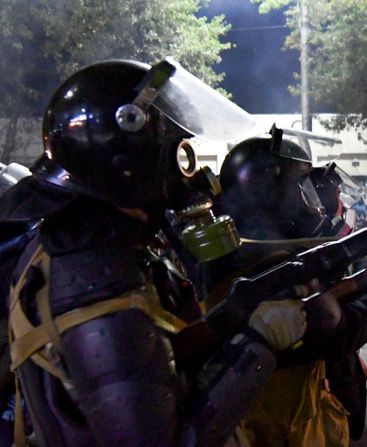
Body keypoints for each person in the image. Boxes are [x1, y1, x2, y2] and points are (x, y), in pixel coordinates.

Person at [0, 58, 306, 447]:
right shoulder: (97, 272)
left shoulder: (82, 245)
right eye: (178, 154)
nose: (186, 173)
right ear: (129, 161)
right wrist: (257, 345)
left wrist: (227, 321)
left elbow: (143, 370)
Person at [205, 129, 367, 446]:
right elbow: (333, 330)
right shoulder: (266, 263)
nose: (312, 204)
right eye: (300, 188)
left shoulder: (240, 255)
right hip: (278, 431)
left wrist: (363, 281)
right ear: (268, 193)